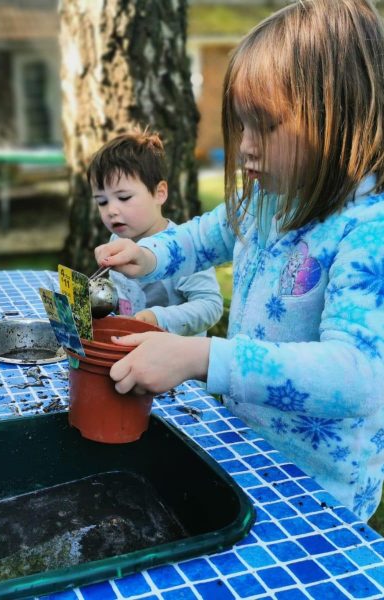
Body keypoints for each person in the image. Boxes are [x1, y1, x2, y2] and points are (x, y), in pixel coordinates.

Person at [94, 0, 384, 520]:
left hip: (321, 492)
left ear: (340, 114)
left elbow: (358, 376)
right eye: (241, 126)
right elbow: (203, 236)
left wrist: (201, 356)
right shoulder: (270, 198)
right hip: (252, 451)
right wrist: (147, 253)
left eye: (265, 126)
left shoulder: (370, 232)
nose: (244, 149)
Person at [88, 131, 223, 336]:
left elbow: (211, 306)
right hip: (132, 351)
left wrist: (157, 318)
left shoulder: (184, 247)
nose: (111, 210)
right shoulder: (117, 241)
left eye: (123, 197)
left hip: (178, 362)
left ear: (160, 193)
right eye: (102, 201)